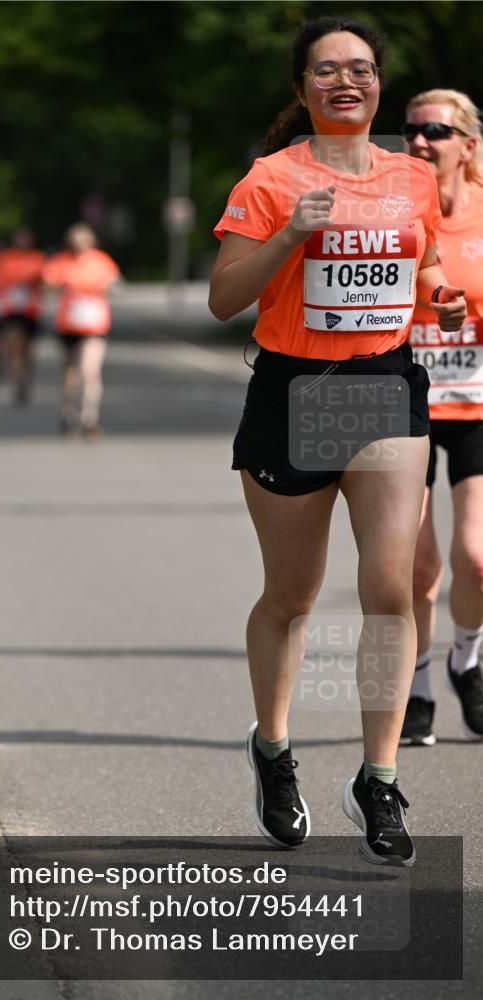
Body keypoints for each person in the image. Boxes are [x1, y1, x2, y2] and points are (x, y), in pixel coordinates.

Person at [209, 15, 466, 866]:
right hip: (295, 390)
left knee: (392, 586)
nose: (344, 82)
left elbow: (421, 264)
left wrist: (441, 299)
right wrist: (290, 232)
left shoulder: (410, 176)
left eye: (359, 69)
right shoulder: (271, 179)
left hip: (383, 386)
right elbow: (222, 299)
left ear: (378, 86)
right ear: (302, 90)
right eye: (326, 71)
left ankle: (378, 776)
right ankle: (275, 751)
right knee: (292, 595)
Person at [401, 90, 483, 745]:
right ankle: (416, 690)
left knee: (476, 559)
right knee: (417, 566)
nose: (421, 141)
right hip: (403, 404)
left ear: (467, 145)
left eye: (435, 130)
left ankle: (467, 657)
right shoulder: (394, 212)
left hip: (476, 405)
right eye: (411, 131)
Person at [42, 223, 120, 440]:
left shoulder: (101, 260)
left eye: (83, 242)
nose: (79, 247)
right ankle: (68, 413)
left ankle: (89, 418)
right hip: (68, 324)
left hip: (95, 325)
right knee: (70, 374)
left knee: (90, 370)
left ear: (91, 242)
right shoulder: (60, 261)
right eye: (75, 243)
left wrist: (107, 287)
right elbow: (47, 285)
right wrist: (60, 286)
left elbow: (116, 284)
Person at [0, 227, 45, 404]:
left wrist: (34, 283)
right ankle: (17, 381)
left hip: (30, 310)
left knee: (27, 350)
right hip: (11, 310)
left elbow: (47, 282)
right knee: (15, 346)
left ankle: (24, 378)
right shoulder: (6, 258)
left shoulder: (38, 258)